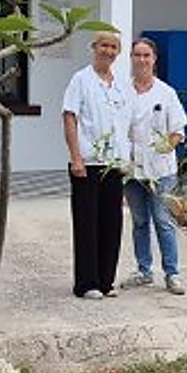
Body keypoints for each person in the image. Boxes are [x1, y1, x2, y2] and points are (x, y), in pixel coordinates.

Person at [62, 31, 133, 300]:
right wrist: (76, 157)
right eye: (104, 45)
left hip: (114, 164)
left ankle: (106, 281)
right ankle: (86, 283)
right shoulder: (81, 79)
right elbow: (70, 117)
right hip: (88, 163)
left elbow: (127, 124)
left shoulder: (121, 85)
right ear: (94, 47)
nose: (108, 51)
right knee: (87, 223)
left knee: (111, 224)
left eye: (114, 47)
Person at [121, 36, 187, 295]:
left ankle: (172, 273)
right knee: (139, 221)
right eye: (137, 55)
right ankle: (144, 271)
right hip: (131, 170)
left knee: (163, 221)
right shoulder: (122, 91)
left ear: (154, 59)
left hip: (161, 171)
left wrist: (166, 147)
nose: (142, 60)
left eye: (146, 55)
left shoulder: (166, 93)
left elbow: (178, 131)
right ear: (131, 58)